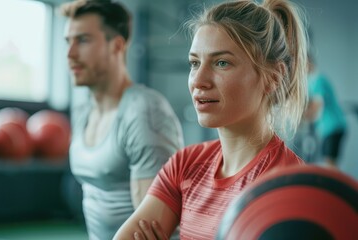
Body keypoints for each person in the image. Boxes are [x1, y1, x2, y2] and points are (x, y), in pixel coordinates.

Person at [114, 0, 308, 239]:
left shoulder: (288, 185)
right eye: (194, 63)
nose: (198, 80)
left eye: (221, 63)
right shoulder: (184, 165)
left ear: (273, 77)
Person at [60, 1, 184, 239]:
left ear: (117, 45)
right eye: (68, 41)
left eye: (83, 40)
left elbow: (153, 229)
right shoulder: (83, 110)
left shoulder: (143, 111)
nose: (70, 53)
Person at [303, 53, 348, 167]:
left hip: (333, 126)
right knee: (326, 163)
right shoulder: (310, 82)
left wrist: (301, 117)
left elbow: (317, 106)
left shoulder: (318, 80)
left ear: (308, 62)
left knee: (330, 165)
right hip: (325, 129)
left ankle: (335, 185)